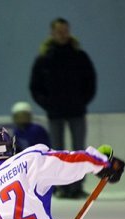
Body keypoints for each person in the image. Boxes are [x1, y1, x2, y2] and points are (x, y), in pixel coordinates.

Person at [29, 17, 97, 198]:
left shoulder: (79, 56)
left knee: (78, 151)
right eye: (58, 31)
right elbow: (35, 87)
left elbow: (90, 82)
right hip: (54, 113)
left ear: (69, 31)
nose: (62, 34)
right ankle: (61, 187)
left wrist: (82, 101)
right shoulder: (44, 59)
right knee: (57, 153)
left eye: (65, 30)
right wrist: (47, 103)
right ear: (52, 33)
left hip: (77, 111)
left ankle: (76, 186)